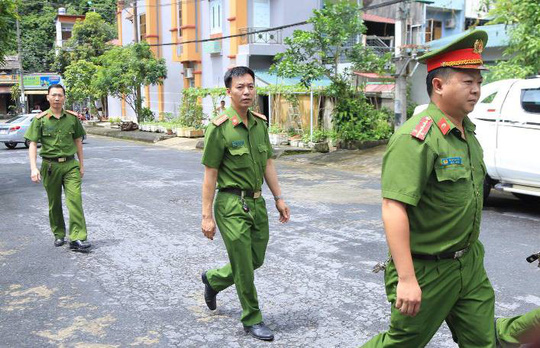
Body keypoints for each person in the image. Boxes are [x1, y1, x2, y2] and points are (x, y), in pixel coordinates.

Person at [362, 30, 496, 346]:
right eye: (467, 81)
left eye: (478, 81)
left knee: (483, 341)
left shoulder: (467, 134)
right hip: (427, 269)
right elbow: (394, 208)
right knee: (402, 343)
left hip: (469, 264)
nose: (476, 89)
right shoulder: (416, 138)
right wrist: (407, 279)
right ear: (438, 85)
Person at [200, 66, 290, 341]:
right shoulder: (219, 128)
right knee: (243, 263)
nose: (247, 91)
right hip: (230, 204)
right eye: (240, 87)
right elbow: (210, 174)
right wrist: (206, 215)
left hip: (257, 202)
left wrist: (279, 197)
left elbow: (268, 164)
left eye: (250, 86)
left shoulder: (260, 123)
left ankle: (214, 279)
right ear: (229, 92)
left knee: (254, 259)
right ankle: (252, 318)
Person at [24, 84, 91, 252]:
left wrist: (81, 165)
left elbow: (78, 142)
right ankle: (59, 233)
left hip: (70, 165)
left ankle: (77, 237)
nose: (56, 98)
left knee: (75, 200)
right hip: (50, 166)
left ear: (64, 98)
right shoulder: (40, 120)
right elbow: (32, 144)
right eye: (53, 95)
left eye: (60, 95)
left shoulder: (72, 118)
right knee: (54, 203)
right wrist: (33, 168)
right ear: (47, 97)